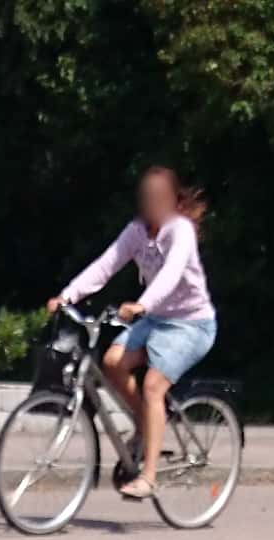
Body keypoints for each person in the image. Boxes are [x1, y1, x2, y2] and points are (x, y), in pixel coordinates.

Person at [63, 167, 213, 502]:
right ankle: (146, 425)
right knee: (112, 361)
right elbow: (107, 264)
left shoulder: (181, 231)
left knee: (152, 386)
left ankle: (148, 476)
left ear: (175, 200)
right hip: (156, 318)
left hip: (192, 324)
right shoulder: (136, 232)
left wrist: (142, 304)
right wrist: (68, 295)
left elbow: (172, 274)